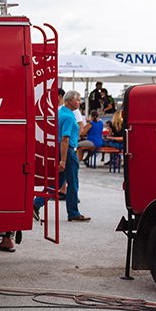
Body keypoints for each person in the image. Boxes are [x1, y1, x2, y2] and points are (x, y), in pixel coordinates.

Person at [57, 90, 90, 221]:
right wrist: (64, 160)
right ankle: (73, 212)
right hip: (69, 152)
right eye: (78, 99)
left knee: (57, 182)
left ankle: (36, 204)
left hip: (63, 151)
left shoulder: (60, 113)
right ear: (70, 101)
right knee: (73, 182)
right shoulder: (70, 117)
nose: (79, 102)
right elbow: (65, 139)